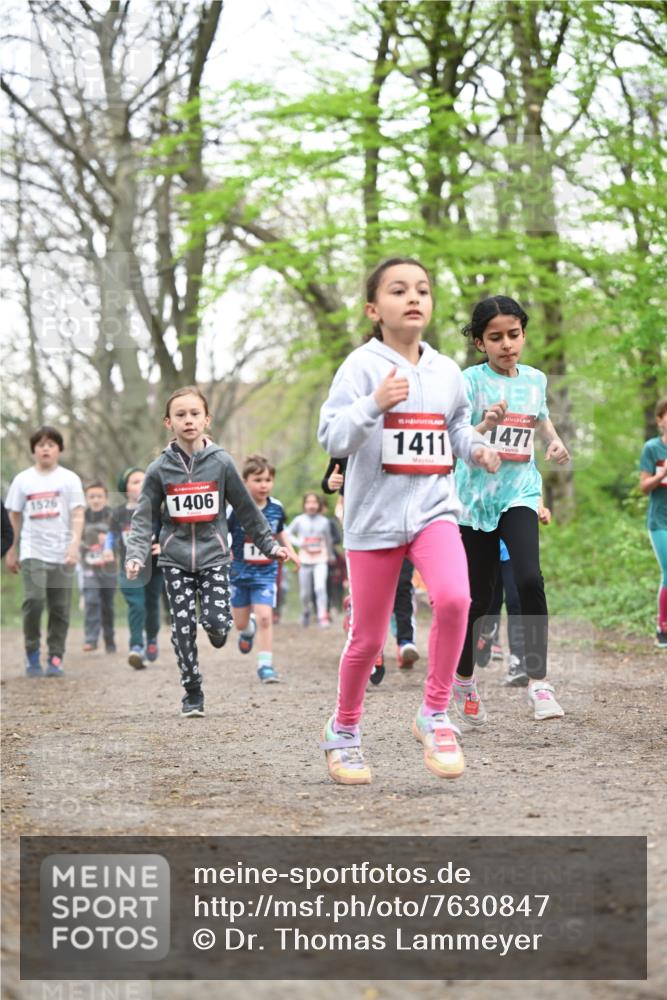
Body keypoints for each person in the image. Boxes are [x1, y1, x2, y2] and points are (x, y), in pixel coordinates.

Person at [317, 257, 499, 785]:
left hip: (433, 511)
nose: (413, 298)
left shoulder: (445, 371)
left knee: (455, 598)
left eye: (423, 288)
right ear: (375, 309)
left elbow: (457, 427)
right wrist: (373, 404)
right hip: (372, 520)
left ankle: (435, 713)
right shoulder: (359, 367)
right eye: (399, 291)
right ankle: (345, 729)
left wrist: (479, 449)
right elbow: (333, 438)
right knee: (368, 639)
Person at [125, 387, 288, 717]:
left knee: (215, 623)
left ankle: (218, 627)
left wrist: (270, 545)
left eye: (195, 414)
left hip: (215, 556)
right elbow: (144, 517)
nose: (188, 420)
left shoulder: (221, 463)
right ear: (168, 422)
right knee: (183, 627)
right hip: (175, 558)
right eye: (181, 415)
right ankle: (192, 690)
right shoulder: (159, 469)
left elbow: (246, 509)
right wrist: (136, 554)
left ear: (206, 419)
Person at [454, 295, 570, 726]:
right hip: (474, 500)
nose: (507, 344)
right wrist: (485, 426)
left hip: (519, 491)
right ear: (480, 342)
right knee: (478, 598)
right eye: (495, 337)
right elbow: (457, 435)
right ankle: (464, 680)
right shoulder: (469, 381)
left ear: (524, 332)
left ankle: (539, 682)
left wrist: (554, 441)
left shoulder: (536, 379)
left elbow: (541, 420)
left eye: (514, 334)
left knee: (527, 577)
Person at [322, 456, 419, 683]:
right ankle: (374, 651)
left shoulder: (402, 434)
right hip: (361, 529)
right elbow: (327, 480)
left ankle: (406, 641)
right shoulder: (350, 440)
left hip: (400, 526)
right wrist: (331, 483)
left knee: (402, 584)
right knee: (372, 594)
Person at [5, 425, 85, 677]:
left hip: (62, 551)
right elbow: (14, 516)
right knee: (34, 600)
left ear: (59, 449)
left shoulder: (69, 479)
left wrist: (74, 547)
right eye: (40, 445)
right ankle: (31, 652)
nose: (45, 448)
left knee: (60, 607)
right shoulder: (22, 480)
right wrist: (10, 550)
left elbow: (78, 514)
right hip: (32, 550)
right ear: (34, 450)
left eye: (51, 444)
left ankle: (56, 656)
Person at [227, 454, 299, 683]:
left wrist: (292, 551)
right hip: (239, 572)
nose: (264, 485)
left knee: (265, 617)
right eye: (258, 480)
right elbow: (221, 532)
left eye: (268, 480)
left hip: (266, 573)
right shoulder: (234, 509)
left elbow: (280, 531)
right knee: (240, 623)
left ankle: (265, 666)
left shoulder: (277, 508)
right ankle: (247, 631)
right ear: (245, 482)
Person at [476, 505, 552, 686]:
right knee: (489, 604)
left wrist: (540, 507)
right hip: (487, 546)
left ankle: (518, 662)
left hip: (512, 553)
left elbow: (531, 478)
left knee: (515, 601)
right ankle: (485, 636)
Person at [105, 467, 163, 670]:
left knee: (152, 605)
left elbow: (168, 531)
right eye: (135, 482)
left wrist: (163, 545)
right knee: (137, 605)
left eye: (144, 481)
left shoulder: (157, 510)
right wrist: (108, 550)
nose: (141, 485)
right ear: (125, 488)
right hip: (129, 568)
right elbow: (111, 535)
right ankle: (136, 646)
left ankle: (152, 638)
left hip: (155, 568)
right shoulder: (119, 513)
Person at [639, 396, 667, 649]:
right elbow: (644, 487)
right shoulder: (652, 448)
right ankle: (663, 626)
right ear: (660, 420)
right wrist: (662, 474)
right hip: (660, 521)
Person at [288, 492, 335, 628]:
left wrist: (331, 555)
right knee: (305, 593)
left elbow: (328, 540)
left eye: (314, 502)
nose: (312, 505)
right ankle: (306, 611)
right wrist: (299, 542)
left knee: (320, 587)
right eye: (309, 502)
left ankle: (322, 616)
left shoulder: (324, 521)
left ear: (319, 505)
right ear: (304, 505)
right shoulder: (299, 520)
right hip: (304, 560)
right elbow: (287, 533)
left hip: (321, 559)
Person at [80, 481, 117, 653]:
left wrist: (110, 545)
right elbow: (76, 540)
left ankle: (109, 639)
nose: (95, 500)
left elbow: (121, 539)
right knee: (92, 600)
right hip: (89, 567)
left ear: (106, 498)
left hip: (109, 568)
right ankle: (91, 639)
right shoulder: (81, 517)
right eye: (91, 497)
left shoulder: (113, 516)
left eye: (99, 496)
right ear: (86, 498)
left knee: (107, 605)